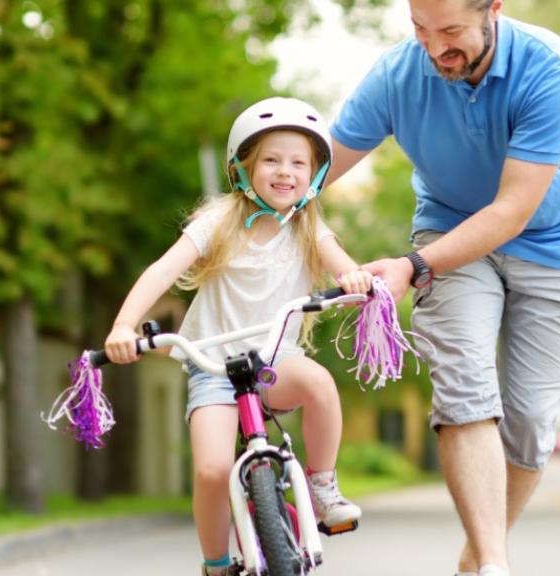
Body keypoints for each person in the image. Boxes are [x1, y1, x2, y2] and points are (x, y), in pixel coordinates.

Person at [325, 1, 560, 575]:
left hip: (553, 241)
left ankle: (475, 561)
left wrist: (411, 265)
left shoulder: (551, 67)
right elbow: (314, 167)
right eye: (420, 29)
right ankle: (495, 566)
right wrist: (248, 190)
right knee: (464, 388)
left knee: (529, 422)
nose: (434, 49)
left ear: (493, 8)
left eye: (450, 31)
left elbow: (511, 211)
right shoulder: (397, 75)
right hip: (447, 228)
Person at [103, 97, 373, 576]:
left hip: (275, 361)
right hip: (213, 367)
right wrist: (124, 325)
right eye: (271, 159)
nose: (285, 171)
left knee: (320, 384)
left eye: (298, 163)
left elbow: (345, 267)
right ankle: (216, 563)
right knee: (210, 471)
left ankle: (323, 485)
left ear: (313, 175)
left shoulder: (310, 228)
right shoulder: (218, 222)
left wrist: (355, 279)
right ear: (243, 168)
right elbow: (162, 270)